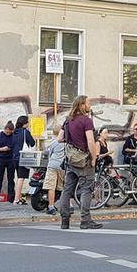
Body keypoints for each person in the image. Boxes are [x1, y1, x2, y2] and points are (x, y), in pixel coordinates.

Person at [57, 95, 102, 230]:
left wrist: (72, 140)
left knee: (67, 190)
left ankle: (65, 221)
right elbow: (90, 141)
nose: (89, 105)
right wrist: (93, 158)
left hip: (71, 160)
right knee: (86, 189)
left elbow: (59, 138)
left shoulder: (68, 120)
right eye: (88, 103)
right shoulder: (86, 121)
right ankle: (85, 220)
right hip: (83, 160)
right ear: (82, 105)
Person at [11, 116, 37, 205]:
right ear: (25, 123)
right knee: (21, 178)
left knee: (19, 177)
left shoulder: (14, 132)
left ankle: (18, 198)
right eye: (28, 122)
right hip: (23, 157)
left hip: (15, 157)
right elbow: (32, 143)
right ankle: (16, 199)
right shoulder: (25, 132)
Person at [43, 128, 66, 215]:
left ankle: (51, 206)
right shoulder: (66, 143)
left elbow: (49, 154)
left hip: (52, 165)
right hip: (62, 166)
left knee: (51, 187)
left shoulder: (53, 142)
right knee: (63, 187)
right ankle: (65, 206)